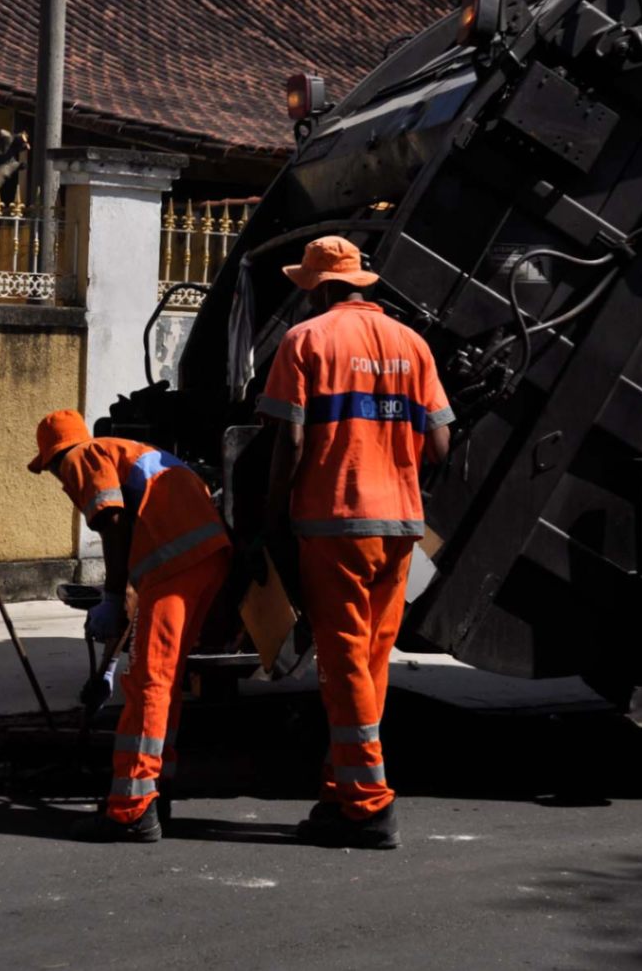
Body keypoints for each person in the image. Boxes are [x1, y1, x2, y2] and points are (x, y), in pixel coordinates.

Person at [257, 236, 454, 849]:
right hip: (400, 525)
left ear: (314, 285)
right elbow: (443, 443)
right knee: (369, 661)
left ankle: (368, 805)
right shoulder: (411, 343)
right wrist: (399, 479)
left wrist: (272, 514)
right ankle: (341, 791)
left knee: (342, 662)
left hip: (333, 521)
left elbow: (288, 442)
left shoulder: (305, 341)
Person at [28, 409, 231, 842]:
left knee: (149, 682)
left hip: (177, 560)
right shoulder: (128, 453)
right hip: (205, 554)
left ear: (55, 455)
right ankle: (158, 788)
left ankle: (131, 810)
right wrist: (108, 664)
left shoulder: (83, 456)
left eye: (50, 469)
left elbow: (114, 525)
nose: (59, 481)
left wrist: (113, 596)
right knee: (167, 678)